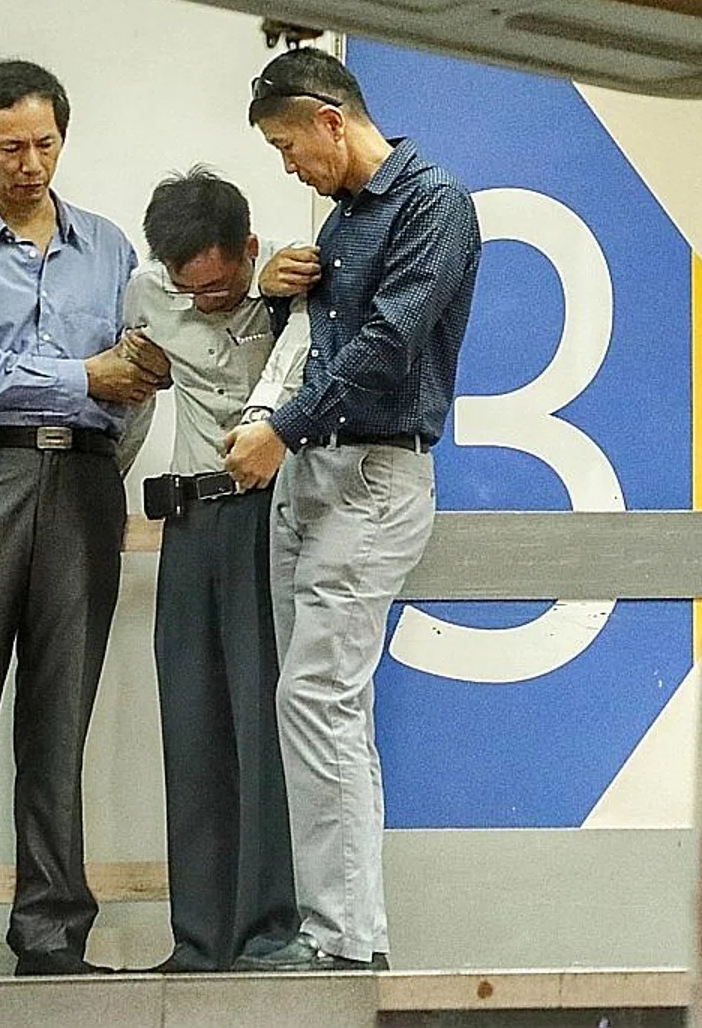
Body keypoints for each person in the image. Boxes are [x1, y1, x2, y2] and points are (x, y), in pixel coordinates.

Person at [0, 60, 165, 979]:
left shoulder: (111, 248)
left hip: (85, 483)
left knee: (61, 725)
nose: (31, 164)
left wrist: (100, 446)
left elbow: (139, 377)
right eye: (11, 147)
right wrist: (82, 380)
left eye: (46, 144)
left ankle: (52, 937)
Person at [222, 47, 482, 972]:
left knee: (316, 698)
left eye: (291, 145)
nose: (288, 166)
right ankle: (345, 934)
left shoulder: (433, 203)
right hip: (311, 478)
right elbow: (313, 341)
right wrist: (280, 287)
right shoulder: (338, 224)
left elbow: (389, 346)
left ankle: (339, 943)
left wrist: (281, 431)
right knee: (330, 712)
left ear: (333, 118)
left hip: (371, 476)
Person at [123, 166, 310, 972]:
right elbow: (137, 359)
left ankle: (269, 932)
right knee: (191, 728)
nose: (202, 297)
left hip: (266, 519)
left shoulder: (293, 297)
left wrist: (264, 298)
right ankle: (197, 940)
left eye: (218, 283)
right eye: (186, 287)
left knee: (263, 727)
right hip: (187, 524)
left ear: (249, 250)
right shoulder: (145, 293)